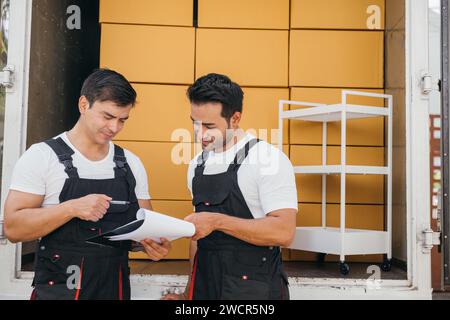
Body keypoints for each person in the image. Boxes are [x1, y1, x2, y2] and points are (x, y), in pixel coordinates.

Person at [4, 69, 171, 300]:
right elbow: (13, 228)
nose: (114, 128)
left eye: (122, 120)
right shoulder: (42, 157)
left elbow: (144, 229)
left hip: (114, 289)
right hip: (59, 291)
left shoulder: (131, 163)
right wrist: (70, 208)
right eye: (107, 116)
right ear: (84, 104)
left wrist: (150, 245)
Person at [163, 73, 297, 300]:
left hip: (252, 290)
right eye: (194, 123)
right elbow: (198, 237)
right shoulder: (197, 164)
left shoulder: (267, 158)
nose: (200, 134)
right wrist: (189, 292)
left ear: (235, 119)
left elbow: (284, 232)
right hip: (204, 287)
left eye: (209, 125)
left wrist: (216, 221)